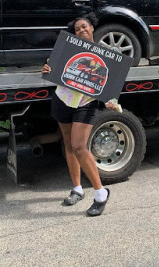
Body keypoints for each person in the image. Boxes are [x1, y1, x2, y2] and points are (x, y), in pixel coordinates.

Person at [42, 14, 120, 217]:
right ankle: (77, 188)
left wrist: (112, 99)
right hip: (63, 99)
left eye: (84, 26)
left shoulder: (107, 53)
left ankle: (101, 193)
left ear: (92, 28)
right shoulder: (68, 50)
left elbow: (113, 80)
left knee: (79, 146)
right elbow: (53, 70)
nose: (81, 30)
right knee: (68, 145)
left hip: (86, 103)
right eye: (77, 29)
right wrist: (48, 69)